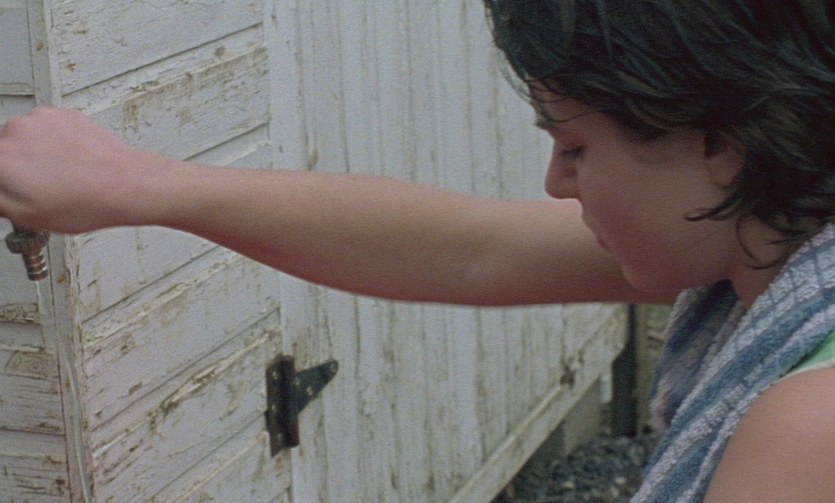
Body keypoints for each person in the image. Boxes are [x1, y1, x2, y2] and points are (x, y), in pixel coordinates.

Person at [0, 0, 833, 501]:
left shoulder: (804, 428)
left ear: (719, 142)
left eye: (575, 146)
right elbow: (467, 249)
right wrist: (137, 185)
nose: (554, 182)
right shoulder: (771, 243)